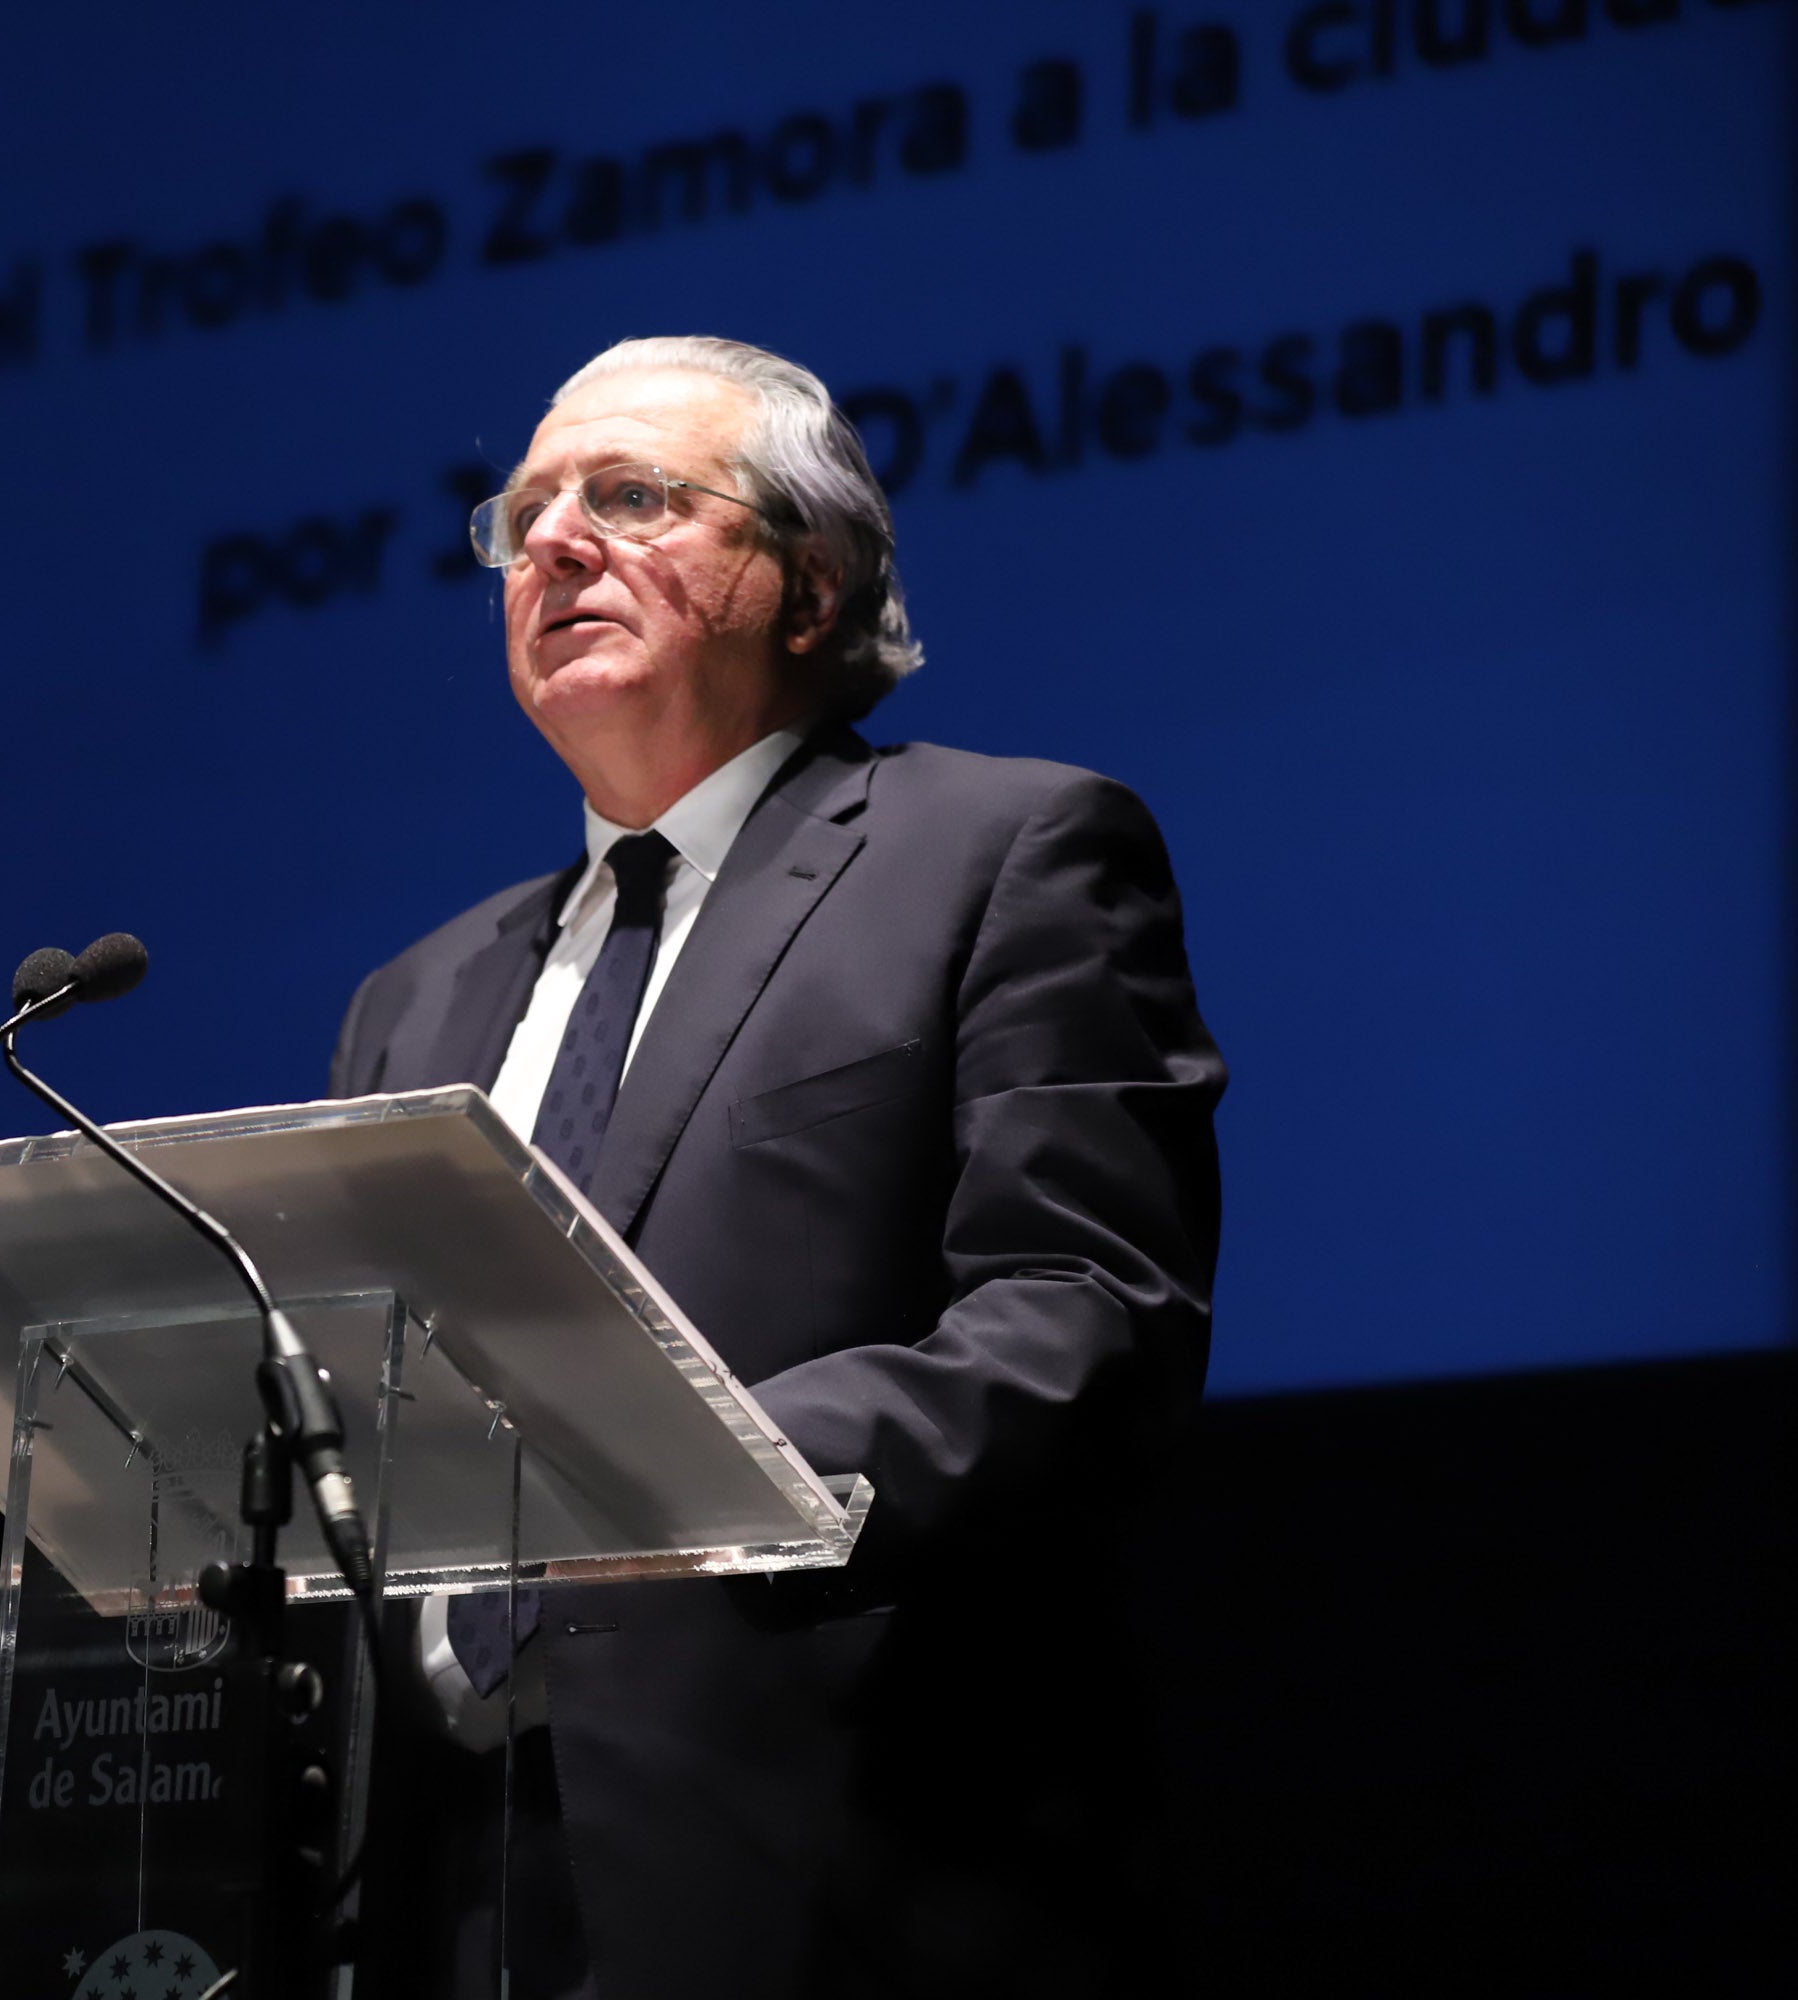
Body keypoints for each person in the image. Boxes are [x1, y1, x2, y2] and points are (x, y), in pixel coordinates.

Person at [332, 337, 1225, 1998]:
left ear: (807, 586)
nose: (552, 543)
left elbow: (1081, 1318)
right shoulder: (419, 994)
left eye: (632, 497)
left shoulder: (1000, 852)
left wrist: (669, 1468)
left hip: (827, 1857)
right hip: (444, 1880)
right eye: (523, 515)